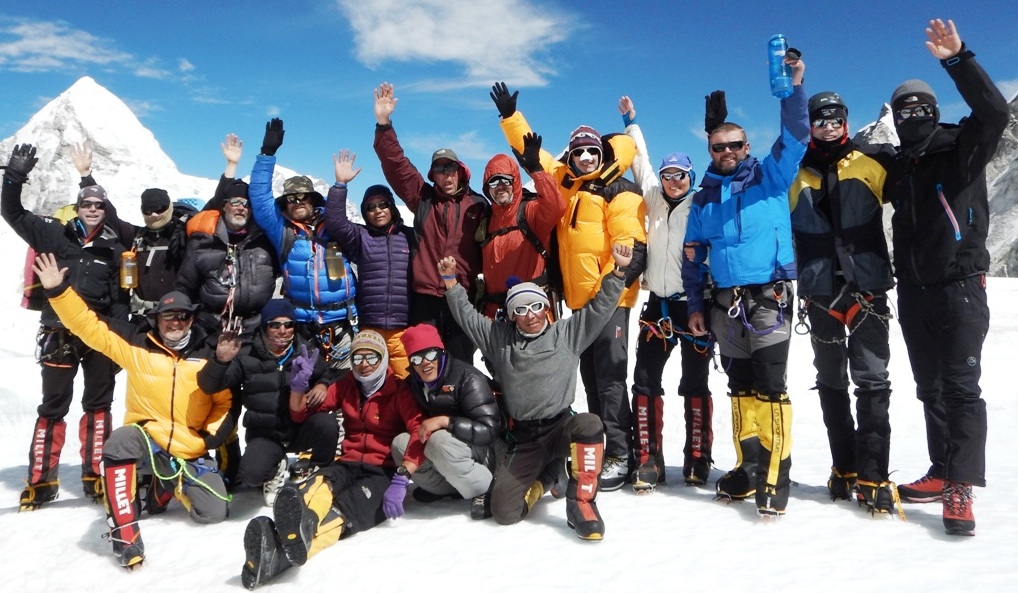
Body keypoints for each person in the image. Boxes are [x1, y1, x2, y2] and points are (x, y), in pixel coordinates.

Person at [885, 19, 1008, 537]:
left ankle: (961, 487)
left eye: (921, 107)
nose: (914, 114)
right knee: (929, 388)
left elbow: (995, 111)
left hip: (960, 287)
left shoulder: (961, 148)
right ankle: (942, 470)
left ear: (934, 111)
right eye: (904, 109)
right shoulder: (897, 164)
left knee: (960, 389)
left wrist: (958, 59)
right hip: (913, 291)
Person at [493, 82, 648, 491]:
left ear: (601, 154)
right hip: (579, 303)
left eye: (591, 152)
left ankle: (620, 452)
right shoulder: (567, 183)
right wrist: (511, 118)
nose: (583, 157)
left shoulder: (620, 189)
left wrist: (613, 288)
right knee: (592, 379)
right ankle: (601, 447)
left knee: (612, 378)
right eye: (577, 151)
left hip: (609, 301)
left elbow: (631, 245)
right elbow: (533, 154)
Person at [34, 253, 232, 568]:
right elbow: (88, 325)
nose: (175, 322)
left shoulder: (210, 354)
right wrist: (58, 290)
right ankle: (124, 532)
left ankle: (165, 483)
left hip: (187, 445)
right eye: (168, 316)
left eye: (182, 316)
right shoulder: (137, 345)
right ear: (157, 319)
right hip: (146, 436)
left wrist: (207, 437)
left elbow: (224, 403)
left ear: (191, 319)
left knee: (213, 512)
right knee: (119, 441)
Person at [681, 53, 808, 516]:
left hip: (769, 298)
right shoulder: (704, 199)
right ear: (710, 151)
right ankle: (748, 465)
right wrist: (695, 304)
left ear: (746, 144)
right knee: (740, 386)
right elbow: (693, 255)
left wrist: (793, 89)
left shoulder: (771, 176)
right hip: (725, 303)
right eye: (719, 147)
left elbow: (796, 137)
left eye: (735, 144)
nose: (728, 152)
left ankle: (777, 470)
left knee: (771, 385)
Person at [441, 242, 634, 540]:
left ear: (545, 307)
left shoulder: (567, 334)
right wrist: (451, 283)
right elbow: (467, 317)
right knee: (505, 513)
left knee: (590, 424)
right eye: (521, 309)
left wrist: (619, 271)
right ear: (512, 314)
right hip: (526, 436)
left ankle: (582, 503)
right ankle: (549, 476)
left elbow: (600, 308)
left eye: (536, 306)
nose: (530, 315)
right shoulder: (499, 339)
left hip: (561, 426)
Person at [240, 330, 426, 589]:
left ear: (383, 360)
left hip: (381, 473)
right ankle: (304, 522)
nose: (364, 365)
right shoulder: (347, 384)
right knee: (321, 485)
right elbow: (302, 413)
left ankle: (282, 557)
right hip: (348, 462)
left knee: (344, 511)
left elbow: (420, 432)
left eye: (372, 358)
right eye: (358, 357)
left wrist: (402, 478)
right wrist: (298, 388)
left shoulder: (399, 390)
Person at [2, 144, 128, 510]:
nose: (92, 209)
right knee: (53, 407)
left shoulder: (116, 248)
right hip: (59, 332)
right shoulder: (53, 234)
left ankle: (95, 475)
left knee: (98, 405)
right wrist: (14, 177)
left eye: (99, 205)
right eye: (87, 204)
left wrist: (117, 338)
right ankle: (41, 482)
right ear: (78, 206)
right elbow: (11, 211)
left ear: (105, 211)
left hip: (99, 333)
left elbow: (120, 299)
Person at [789, 91, 898, 513]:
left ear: (846, 122)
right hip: (820, 292)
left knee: (872, 380)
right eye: (821, 120)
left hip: (867, 287)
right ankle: (845, 467)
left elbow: (913, 202)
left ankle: (874, 473)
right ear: (812, 124)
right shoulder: (796, 173)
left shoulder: (874, 162)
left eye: (835, 120)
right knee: (832, 382)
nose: (829, 126)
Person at [618, 95, 714, 492]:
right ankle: (648, 459)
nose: (674, 182)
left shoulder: (702, 202)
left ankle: (697, 458)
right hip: (656, 305)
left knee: (694, 383)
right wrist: (631, 121)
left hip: (693, 307)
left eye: (681, 175)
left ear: (692, 177)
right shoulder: (654, 197)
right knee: (644, 380)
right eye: (668, 175)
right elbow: (640, 159)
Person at [372, 82, 490, 364]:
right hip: (424, 297)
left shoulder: (479, 205)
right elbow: (396, 166)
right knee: (424, 361)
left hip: (461, 296)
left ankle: (460, 409)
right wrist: (384, 124)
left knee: (461, 363)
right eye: (439, 171)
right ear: (433, 176)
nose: (446, 176)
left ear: (460, 172)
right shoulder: (423, 198)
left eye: (451, 169)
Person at [197, 299, 339, 505]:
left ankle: (317, 468)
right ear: (264, 326)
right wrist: (220, 361)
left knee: (327, 425)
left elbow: (328, 372)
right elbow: (209, 386)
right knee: (251, 476)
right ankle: (275, 466)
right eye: (275, 325)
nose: (283, 330)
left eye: (288, 324)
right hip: (265, 433)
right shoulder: (246, 353)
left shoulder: (304, 349)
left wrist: (323, 384)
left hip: (299, 428)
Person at [249, 118, 358, 370]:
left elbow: (340, 211)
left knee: (345, 391)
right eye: (291, 198)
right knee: (304, 388)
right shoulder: (281, 229)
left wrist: (340, 184)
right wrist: (267, 153)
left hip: (343, 322)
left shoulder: (335, 226)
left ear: (313, 199)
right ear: (284, 204)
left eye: (303, 196)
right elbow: (260, 197)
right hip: (302, 325)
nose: (297, 201)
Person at [72, 143, 189, 324]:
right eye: (148, 210)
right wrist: (86, 176)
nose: (154, 214)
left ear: (169, 208)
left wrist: (230, 169)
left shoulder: (183, 235)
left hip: (176, 320)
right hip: (141, 318)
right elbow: (109, 215)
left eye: (159, 208)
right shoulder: (136, 236)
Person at [323, 149, 415, 377]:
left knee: (406, 383)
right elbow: (334, 222)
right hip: (369, 326)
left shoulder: (411, 236)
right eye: (370, 207)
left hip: (403, 327)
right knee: (371, 383)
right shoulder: (361, 237)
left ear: (392, 207)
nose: (377, 211)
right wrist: (340, 185)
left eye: (382, 204)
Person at [392, 323, 500, 517]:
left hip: (484, 453)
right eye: (417, 358)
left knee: (438, 440)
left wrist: (447, 421)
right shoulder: (413, 385)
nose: (425, 362)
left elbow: (490, 431)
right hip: (450, 454)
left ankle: (485, 488)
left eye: (431, 354)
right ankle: (448, 488)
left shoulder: (467, 378)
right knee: (400, 444)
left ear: (441, 352)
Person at [475, 117, 565, 319]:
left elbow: (556, 206)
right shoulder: (486, 220)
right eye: (494, 182)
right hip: (495, 314)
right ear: (487, 188)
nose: (500, 186)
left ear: (515, 183)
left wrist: (536, 170)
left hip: (532, 312)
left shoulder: (530, 212)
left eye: (506, 180)